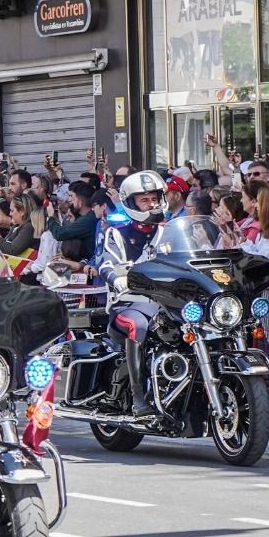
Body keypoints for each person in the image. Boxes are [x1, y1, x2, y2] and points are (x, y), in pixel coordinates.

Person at [98, 170, 167, 416]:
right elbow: (105, 263)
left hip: (168, 304)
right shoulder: (117, 233)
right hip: (128, 304)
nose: (152, 204)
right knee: (138, 325)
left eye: (155, 198)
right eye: (144, 200)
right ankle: (139, 396)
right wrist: (117, 279)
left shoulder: (169, 231)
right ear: (131, 203)